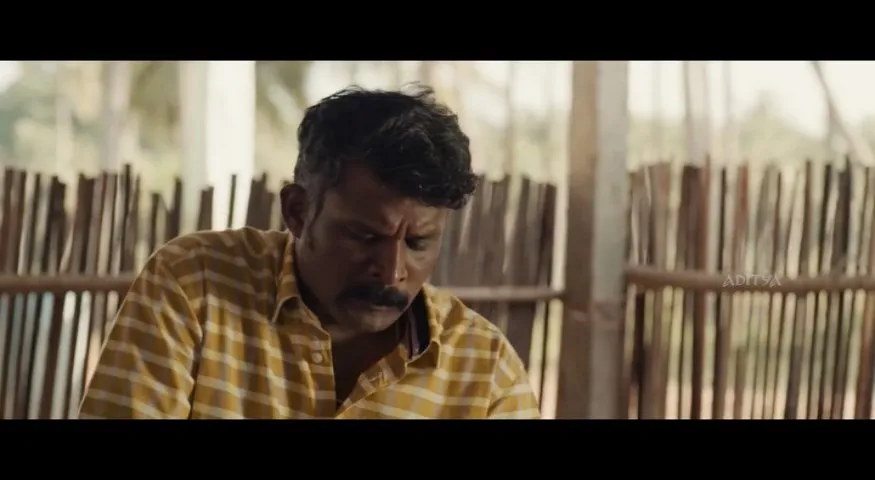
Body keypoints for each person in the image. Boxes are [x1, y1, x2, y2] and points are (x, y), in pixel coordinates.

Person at [78, 84, 540, 419]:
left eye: (418, 243)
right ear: (297, 212)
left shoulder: (485, 371)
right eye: (364, 237)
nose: (391, 272)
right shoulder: (195, 284)